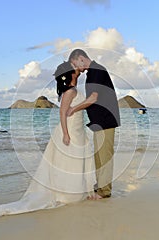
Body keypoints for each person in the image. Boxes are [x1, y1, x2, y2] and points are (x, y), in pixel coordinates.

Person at [0, 62, 97, 221]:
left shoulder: (73, 90)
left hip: (78, 129)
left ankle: (79, 189)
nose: (78, 70)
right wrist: (66, 134)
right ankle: (68, 193)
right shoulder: (69, 92)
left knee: (76, 160)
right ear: (69, 74)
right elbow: (63, 114)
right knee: (68, 161)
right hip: (69, 131)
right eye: (74, 68)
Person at [68, 49, 120, 200]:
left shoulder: (97, 70)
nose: (76, 68)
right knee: (99, 156)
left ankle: (104, 192)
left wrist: (73, 109)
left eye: (75, 64)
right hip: (99, 122)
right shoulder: (91, 73)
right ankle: (100, 186)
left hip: (106, 120)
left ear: (81, 58)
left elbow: (93, 98)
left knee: (104, 157)